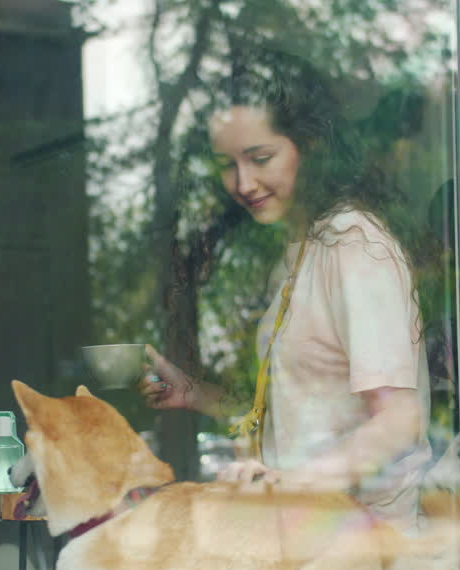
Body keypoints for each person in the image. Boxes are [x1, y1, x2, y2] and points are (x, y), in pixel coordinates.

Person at [140, 51, 434, 535]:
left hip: (367, 550)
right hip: (302, 539)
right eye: (227, 165)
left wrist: (287, 486)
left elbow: (398, 422)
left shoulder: (353, 244)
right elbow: (296, 410)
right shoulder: (301, 252)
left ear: (310, 147)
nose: (243, 183)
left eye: (260, 158)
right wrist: (192, 393)